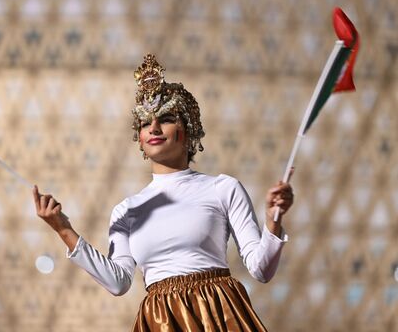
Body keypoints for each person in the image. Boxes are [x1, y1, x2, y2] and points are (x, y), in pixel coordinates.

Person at [32, 54, 294, 331]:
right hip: (161, 321)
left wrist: (273, 220)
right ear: (140, 139)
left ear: (188, 130)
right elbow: (118, 282)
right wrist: (63, 229)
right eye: (146, 123)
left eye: (166, 119)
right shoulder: (127, 209)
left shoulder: (223, 188)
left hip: (218, 314)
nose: (154, 128)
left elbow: (261, 269)